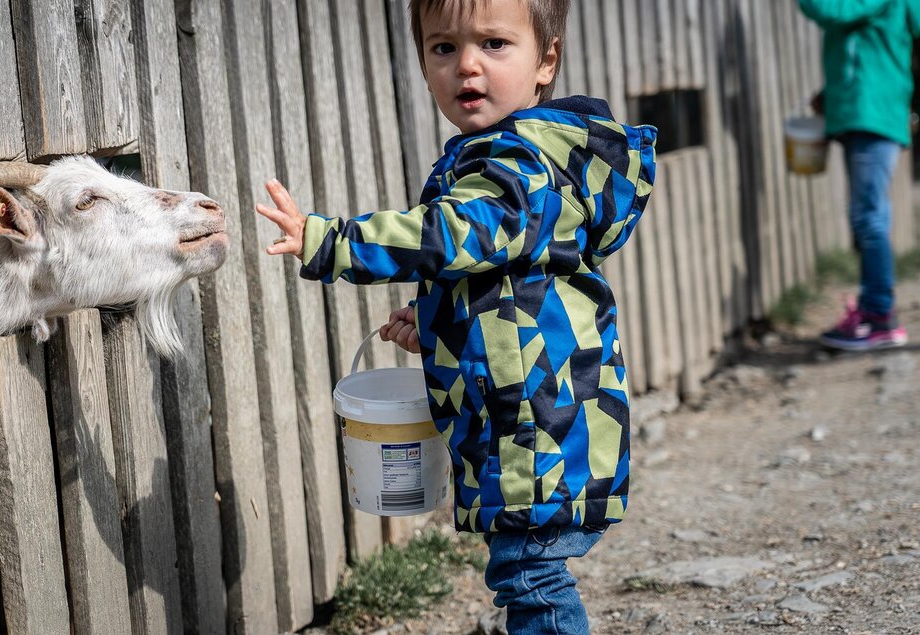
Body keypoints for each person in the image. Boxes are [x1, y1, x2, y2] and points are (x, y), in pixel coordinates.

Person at [256, 0, 656, 631]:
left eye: (494, 45)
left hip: (536, 427)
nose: (466, 65)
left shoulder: (519, 163)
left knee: (531, 577)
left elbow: (455, 233)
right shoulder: (517, 154)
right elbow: (507, 283)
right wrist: (439, 322)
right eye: (443, 48)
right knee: (529, 572)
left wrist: (333, 241)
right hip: (540, 414)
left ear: (545, 60)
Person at [800, 0, 920, 351]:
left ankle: (878, 316)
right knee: (873, 214)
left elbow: (833, 11)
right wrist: (832, 95)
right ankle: (877, 310)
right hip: (871, 109)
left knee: (868, 216)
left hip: (869, 112)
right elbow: (871, 50)